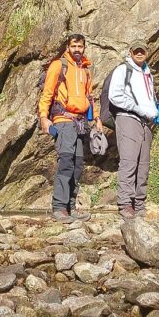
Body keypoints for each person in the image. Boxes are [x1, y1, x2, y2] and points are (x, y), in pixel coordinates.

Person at [38, 33, 103, 221]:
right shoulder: (59, 65)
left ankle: (71, 208)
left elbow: (90, 97)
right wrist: (44, 117)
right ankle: (59, 207)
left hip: (81, 122)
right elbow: (47, 93)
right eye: (73, 46)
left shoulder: (85, 69)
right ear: (68, 47)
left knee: (78, 165)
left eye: (80, 47)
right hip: (63, 119)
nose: (77, 49)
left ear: (84, 48)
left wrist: (97, 118)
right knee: (66, 162)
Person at [107, 40, 159, 219]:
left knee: (143, 164)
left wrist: (152, 112)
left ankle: (140, 204)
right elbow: (114, 96)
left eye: (142, 51)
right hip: (128, 118)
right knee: (129, 162)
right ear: (130, 52)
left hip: (147, 123)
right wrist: (138, 108)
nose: (139, 53)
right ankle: (125, 204)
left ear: (147, 52)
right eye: (136, 51)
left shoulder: (148, 73)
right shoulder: (123, 70)